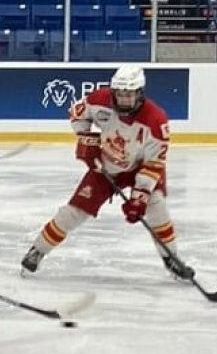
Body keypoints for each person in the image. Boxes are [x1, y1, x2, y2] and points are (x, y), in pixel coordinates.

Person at [20, 65, 196, 282]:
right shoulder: (99, 100)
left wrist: (139, 199)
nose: (123, 100)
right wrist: (89, 140)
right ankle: (38, 250)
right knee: (73, 212)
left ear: (139, 93)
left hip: (140, 167)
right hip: (105, 167)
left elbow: (153, 164)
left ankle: (172, 259)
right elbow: (77, 115)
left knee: (156, 206)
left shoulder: (156, 121)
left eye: (128, 95)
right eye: (119, 94)